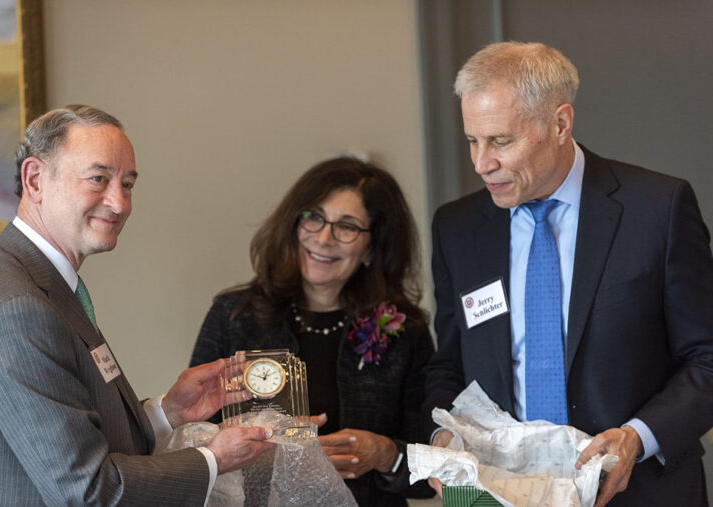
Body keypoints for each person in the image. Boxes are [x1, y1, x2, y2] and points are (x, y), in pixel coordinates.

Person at [422, 42, 713, 506]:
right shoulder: (457, 227)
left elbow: (707, 358)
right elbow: (449, 364)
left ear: (560, 124)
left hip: (639, 491)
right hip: (497, 494)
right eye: (472, 141)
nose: (481, 164)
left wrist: (636, 437)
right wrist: (442, 437)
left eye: (500, 141)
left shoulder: (658, 209)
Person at [0, 105, 274, 506]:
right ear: (35, 180)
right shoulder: (21, 307)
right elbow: (87, 490)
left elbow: (78, 434)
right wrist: (214, 458)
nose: (119, 203)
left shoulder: (39, 279)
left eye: (128, 184)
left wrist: (167, 413)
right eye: (98, 179)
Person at [190, 156, 435, 506]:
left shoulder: (405, 331)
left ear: (372, 248)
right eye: (315, 217)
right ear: (295, 222)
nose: (323, 238)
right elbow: (195, 444)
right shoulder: (234, 316)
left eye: (347, 226)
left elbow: (431, 474)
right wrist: (270, 448)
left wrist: (385, 454)